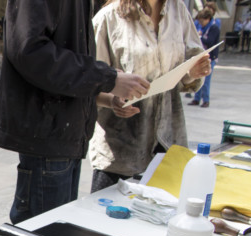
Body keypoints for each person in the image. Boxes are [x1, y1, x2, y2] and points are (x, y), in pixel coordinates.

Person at [0, 0, 150, 224]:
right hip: (48, 132)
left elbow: (66, 63)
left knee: (56, 234)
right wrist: (107, 78)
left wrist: (105, 96)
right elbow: (29, 51)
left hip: (67, 134)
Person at [87, 0, 210, 191]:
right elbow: (87, 82)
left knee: (162, 216)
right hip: (121, 152)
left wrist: (193, 73)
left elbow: (192, 60)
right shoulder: (108, 18)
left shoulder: (178, 12)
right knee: (109, 218)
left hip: (168, 142)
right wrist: (113, 100)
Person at [189, 8, 220, 108]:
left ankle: (206, 100)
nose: (201, 23)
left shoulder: (214, 28)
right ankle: (196, 99)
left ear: (208, 19)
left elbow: (210, 42)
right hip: (200, 55)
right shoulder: (201, 27)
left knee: (206, 80)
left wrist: (200, 37)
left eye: (202, 21)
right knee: (197, 78)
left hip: (210, 57)